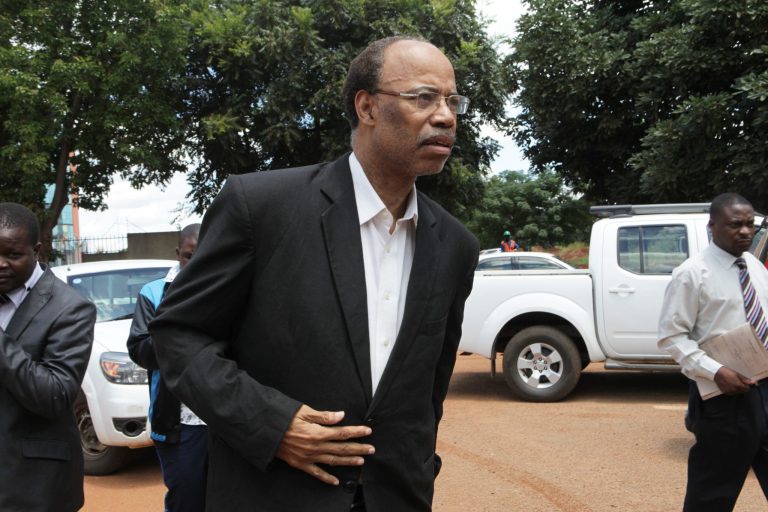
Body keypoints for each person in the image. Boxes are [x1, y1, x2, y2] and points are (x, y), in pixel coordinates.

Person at [149, 36, 479, 511]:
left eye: (452, 101)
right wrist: (272, 425)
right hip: (273, 494)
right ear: (366, 106)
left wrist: (419, 469)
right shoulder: (261, 207)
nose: (445, 116)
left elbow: (429, 389)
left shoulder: (455, 245)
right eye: (423, 98)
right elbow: (179, 337)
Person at [658, 193, 768, 511]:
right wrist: (716, 371)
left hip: (765, 389)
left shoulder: (756, 268)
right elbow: (671, 337)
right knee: (712, 494)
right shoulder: (692, 274)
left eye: (750, 224)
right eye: (736, 225)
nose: (745, 231)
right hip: (724, 398)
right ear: (713, 226)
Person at [0, 202, 96, 511]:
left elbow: (54, 395)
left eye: (12, 255)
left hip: (34, 485)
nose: (0, 264)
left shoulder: (70, 308)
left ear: (38, 250)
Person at [127, 223, 204, 512]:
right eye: (188, 256)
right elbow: (140, 351)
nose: (194, 264)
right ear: (177, 253)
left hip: (223, 419)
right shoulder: (154, 293)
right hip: (178, 421)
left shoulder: (228, 286)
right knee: (186, 498)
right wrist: (178, 323)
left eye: (202, 255)